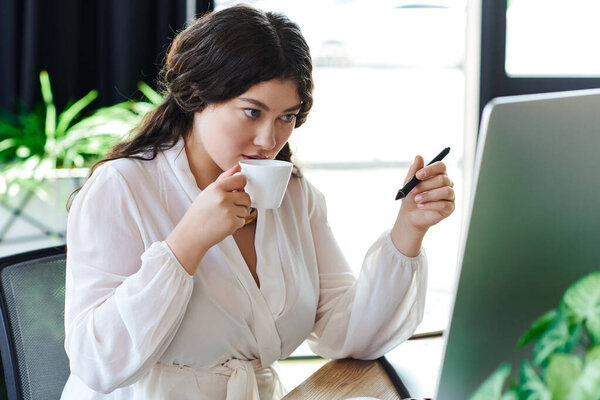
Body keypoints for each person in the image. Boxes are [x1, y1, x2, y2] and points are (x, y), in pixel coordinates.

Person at [61, 4, 455, 400]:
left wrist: (409, 229)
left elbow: (349, 334)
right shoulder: (122, 188)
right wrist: (186, 245)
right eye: (252, 112)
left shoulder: (293, 195)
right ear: (198, 96)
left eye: (287, 117)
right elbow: (96, 362)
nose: (269, 141)